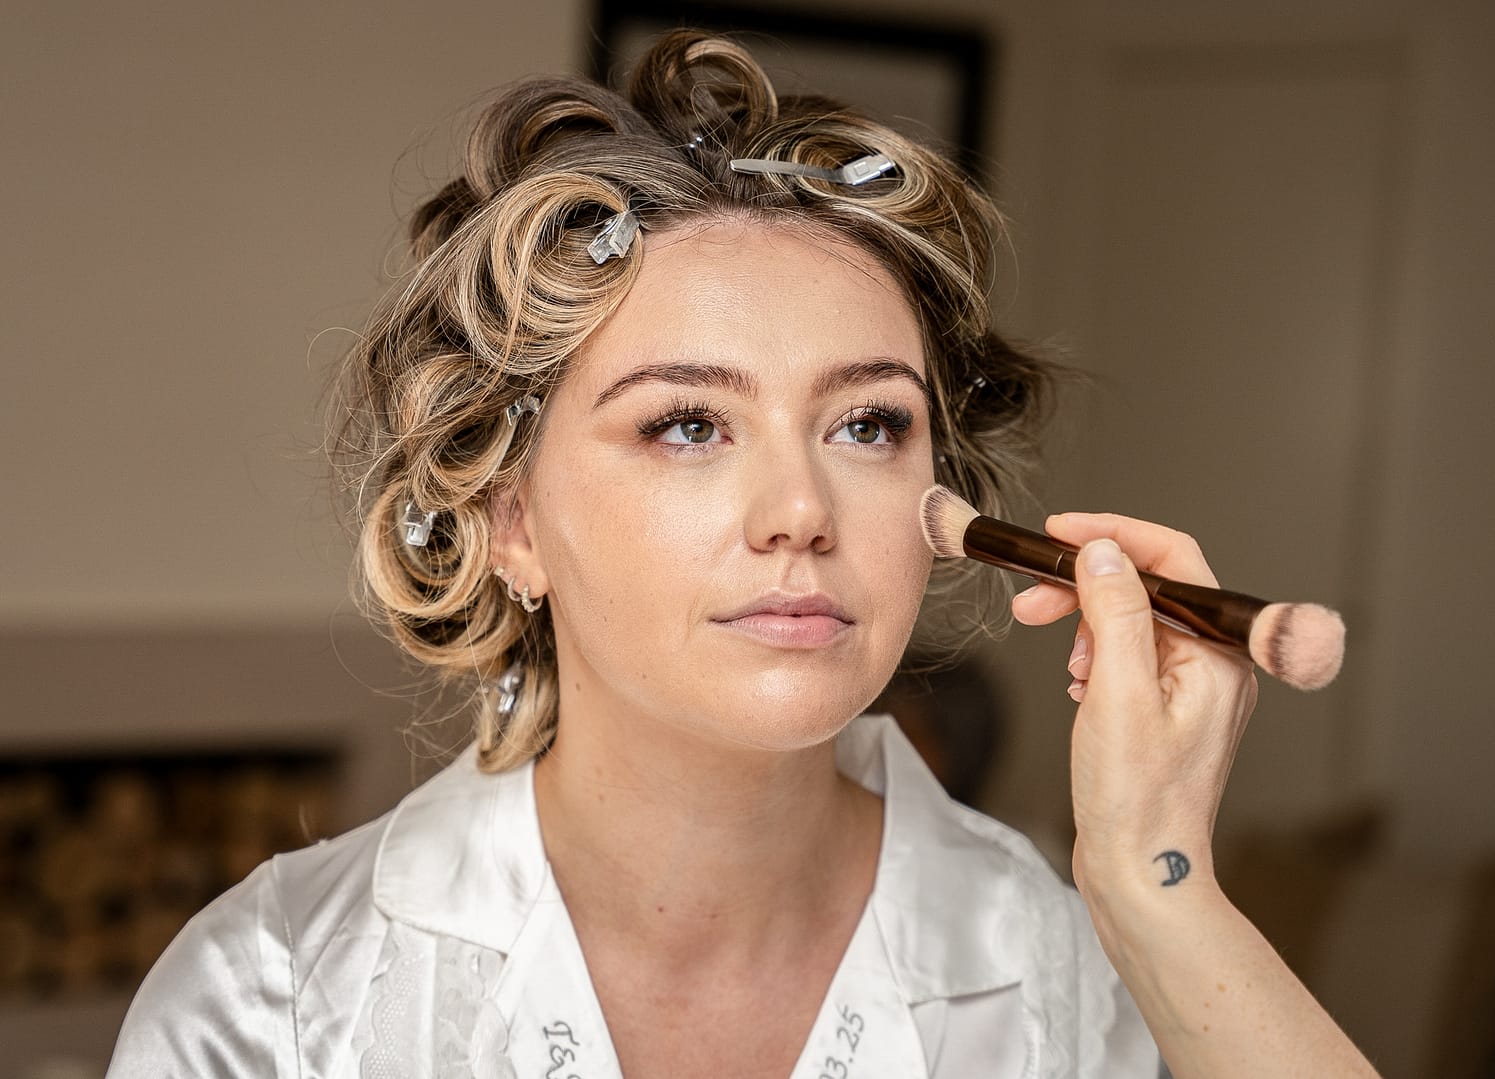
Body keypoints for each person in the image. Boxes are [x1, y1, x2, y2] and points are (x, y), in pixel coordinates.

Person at [107, 30, 1378, 1078]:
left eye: (867, 423)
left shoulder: (1061, 969)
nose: (800, 508)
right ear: (507, 520)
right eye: (687, 423)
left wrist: (1158, 889)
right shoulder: (275, 1000)